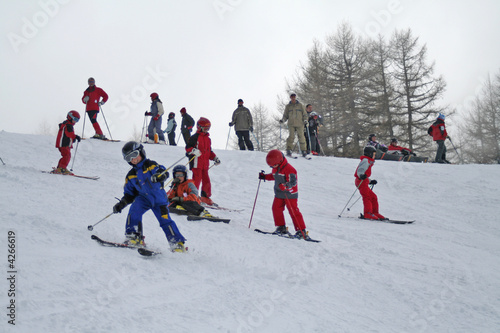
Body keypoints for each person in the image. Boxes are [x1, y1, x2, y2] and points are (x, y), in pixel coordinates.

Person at [112, 141, 187, 252]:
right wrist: (121, 204)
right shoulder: (131, 175)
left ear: (141, 152)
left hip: (159, 199)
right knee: (134, 211)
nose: (133, 159)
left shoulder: (151, 165)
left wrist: (159, 176)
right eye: (129, 158)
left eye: (134, 154)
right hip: (143, 199)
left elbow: (163, 172)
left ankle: (177, 243)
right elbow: (129, 194)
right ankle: (134, 236)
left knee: (165, 220)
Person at [258, 149, 311, 239]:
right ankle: (281, 228)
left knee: (293, 211)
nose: (273, 167)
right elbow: (274, 176)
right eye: (271, 166)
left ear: (280, 160)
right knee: (276, 209)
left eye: (274, 165)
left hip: (290, 195)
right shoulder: (276, 168)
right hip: (279, 194)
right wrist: (264, 177)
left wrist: (286, 186)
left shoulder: (290, 169)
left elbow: (293, 182)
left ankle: (301, 232)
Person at [185, 117, 221, 206]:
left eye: (208, 128)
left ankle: (205, 197)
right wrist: (193, 150)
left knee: (206, 180)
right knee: (196, 180)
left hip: (205, 165)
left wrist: (215, 158)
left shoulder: (208, 139)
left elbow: (209, 151)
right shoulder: (195, 137)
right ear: (199, 127)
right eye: (205, 128)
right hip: (196, 163)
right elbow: (188, 148)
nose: (207, 130)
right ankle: (194, 197)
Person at [354, 145, 386, 220]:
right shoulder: (365, 160)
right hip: (360, 181)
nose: (374, 156)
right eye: (374, 154)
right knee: (367, 197)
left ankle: (375, 212)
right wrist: (361, 175)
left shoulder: (368, 161)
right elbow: (360, 170)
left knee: (373, 197)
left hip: (364, 181)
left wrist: (370, 181)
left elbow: (365, 175)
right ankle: (367, 213)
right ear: (369, 154)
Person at [280, 93, 308, 157]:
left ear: (295, 97)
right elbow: (285, 115)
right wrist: (283, 120)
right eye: (292, 97)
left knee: (301, 137)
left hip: (300, 124)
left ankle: (303, 150)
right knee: (291, 136)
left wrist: (305, 120)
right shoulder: (288, 106)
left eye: (294, 97)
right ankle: (289, 149)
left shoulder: (300, 105)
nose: (293, 98)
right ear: (290, 97)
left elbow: (304, 114)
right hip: (291, 124)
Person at [53, 111, 81, 175]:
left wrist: (73, 139)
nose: (76, 121)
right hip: (64, 144)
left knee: (66, 155)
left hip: (64, 144)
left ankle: (60, 167)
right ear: (70, 117)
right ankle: (62, 168)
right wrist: (75, 137)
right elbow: (69, 134)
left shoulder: (67, 124)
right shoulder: (68, 125)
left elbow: (68, 135)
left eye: (77, 120)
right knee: (67, 156)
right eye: (75, 119)